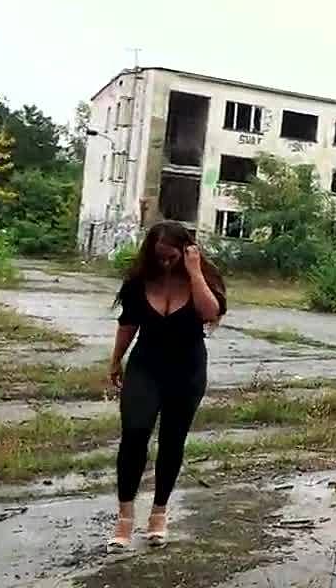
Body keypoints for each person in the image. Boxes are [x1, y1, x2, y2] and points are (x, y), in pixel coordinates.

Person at [106, 220, 226, 551]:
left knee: (172, 440)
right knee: (134, 433)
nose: (165, 263)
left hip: (187, 371)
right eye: (159, 256)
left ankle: (159, 514)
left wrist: (195, 271)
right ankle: (124, 517)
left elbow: (210, 313)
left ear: (185, 251)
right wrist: (116, 360)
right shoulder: (138, 282)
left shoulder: (202, 277)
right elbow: (127, 324)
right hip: (146, 367)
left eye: (171, 256)